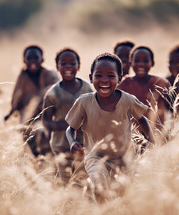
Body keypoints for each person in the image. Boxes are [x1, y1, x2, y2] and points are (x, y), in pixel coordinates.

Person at [65, 53, 155, 201]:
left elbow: (142, 119)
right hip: (95, 157)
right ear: (90, 77)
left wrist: (152, 141)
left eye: (111, 76)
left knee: (123, 195)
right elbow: (71, 128)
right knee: (99, 186)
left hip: (125, 158)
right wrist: (73, 142)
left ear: (120, 78)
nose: (104, 80)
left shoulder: (127, 100)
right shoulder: (84, 102)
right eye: (98, 75)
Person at [42, 48, 93, 184]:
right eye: (63, 63)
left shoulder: (87, 88)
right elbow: (46, 122)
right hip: (61, 147)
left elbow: (95, 113)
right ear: (57, 67)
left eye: (72, 63)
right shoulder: (52, 93)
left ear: (79, 66)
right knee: (64, 183)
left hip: (84, 146)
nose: (68, 67)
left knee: (82, 182)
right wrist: (70, 125)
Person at [5, 45, 59, 156]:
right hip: (27, 116)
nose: (33, 61)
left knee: (46, 140)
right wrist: (12, 111)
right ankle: (36, 161)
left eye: (36, 58)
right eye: (29, 58)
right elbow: (17, 95)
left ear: (42, 60)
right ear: (24, 60)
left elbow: (57, 92)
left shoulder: (49, 74)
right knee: (29, 141)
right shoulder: (23, 75)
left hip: (46, 114)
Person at [117, 46, 170, 131]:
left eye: (145, 61)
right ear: (130, 62)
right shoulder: (125, 83)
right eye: (137, 61)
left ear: (152, 63)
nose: (141, 64)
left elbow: (171, 108)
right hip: (133, 135)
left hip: (157, 134)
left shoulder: (161, 83)